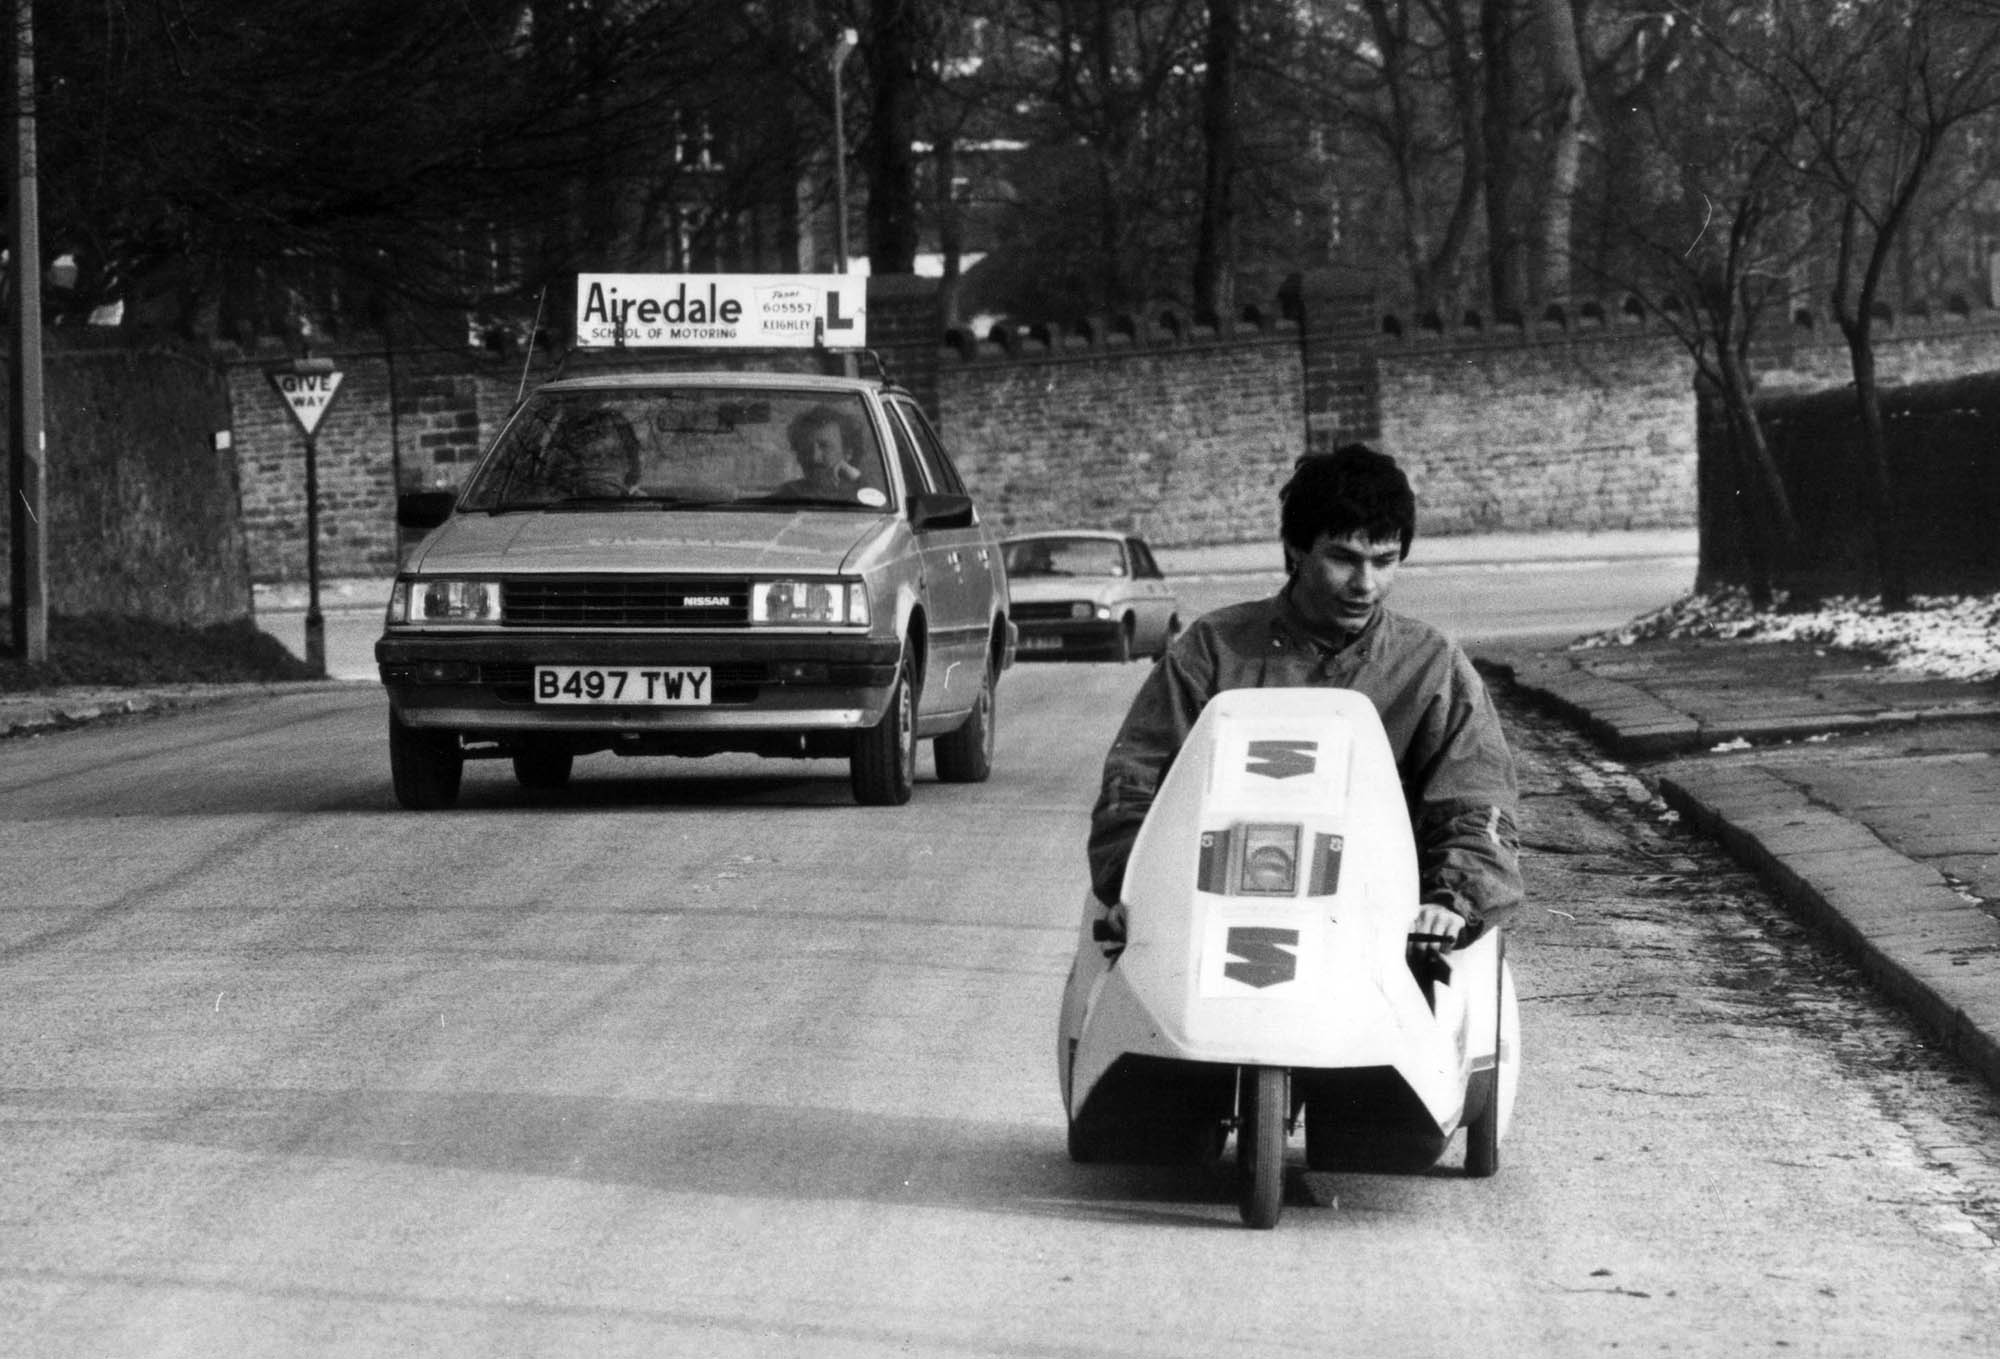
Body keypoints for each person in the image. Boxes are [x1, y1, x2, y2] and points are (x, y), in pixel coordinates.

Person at [1087, 444, 1522, 962]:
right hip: (1218, 910)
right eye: (1343, 558)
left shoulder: (1432, 664)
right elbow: (1135, 784)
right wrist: (1130, 884)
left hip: (1385, 923)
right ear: (1296, 549)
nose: (1365, 585)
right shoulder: (1213, 649)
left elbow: (1476, 800)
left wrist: (1453, 900)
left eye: (1384, 562)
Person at [778, 404, 874, 498]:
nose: (815, 458)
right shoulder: (787, 496)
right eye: (806, 448)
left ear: (848, 452)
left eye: (825, 446)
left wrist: (858, 480)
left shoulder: (864, 496)